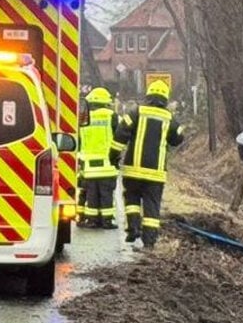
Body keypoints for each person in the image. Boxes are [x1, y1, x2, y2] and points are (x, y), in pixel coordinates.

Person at [112, 80, 184, 248]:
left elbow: (121, 134)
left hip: (133, 169)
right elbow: (178, 138)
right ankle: (149, 241)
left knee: (131, 198)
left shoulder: (135, 112)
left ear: (148, 95)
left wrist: (113, 155)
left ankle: (133, 228)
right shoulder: (169, 118)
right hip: (156, 173)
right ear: (165, 99)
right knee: (152, 205)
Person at [77, 87, 120, 229]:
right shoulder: (112, 116)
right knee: (106, 194)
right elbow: (119, 138)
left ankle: (92, 220)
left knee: (91, 194)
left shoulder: (83, 117)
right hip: (107, 164)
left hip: (88, 166)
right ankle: (107, 221)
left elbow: (79, 140)